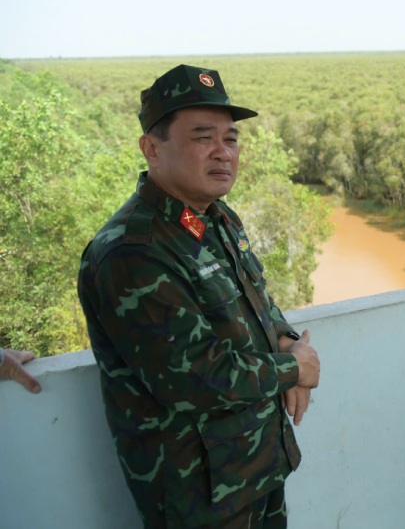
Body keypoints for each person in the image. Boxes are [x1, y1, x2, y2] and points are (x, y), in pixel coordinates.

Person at [77, 65, 321, 529]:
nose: (222, 153)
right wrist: (295, 368)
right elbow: (193, 377)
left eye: (230, 139)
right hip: (198, 494)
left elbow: (257, 301)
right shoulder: (134, 253)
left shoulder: (215, 218)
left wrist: (287, 339)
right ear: (151, 148)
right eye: (201, 137)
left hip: (257, 466)